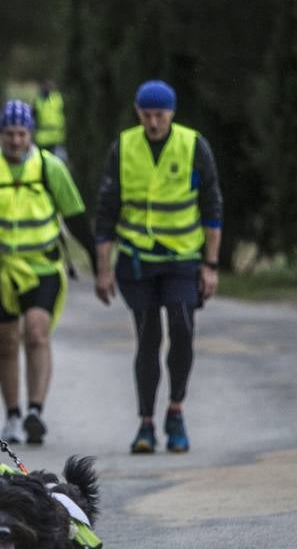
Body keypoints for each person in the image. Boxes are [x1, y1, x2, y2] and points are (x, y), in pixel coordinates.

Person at [0, 100, 97, 446]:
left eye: (21, 134)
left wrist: (97, 258)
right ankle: (13, 415)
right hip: (0, 268)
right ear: (0, 135)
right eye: (9, 134)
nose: (16, 141)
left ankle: (36, 410)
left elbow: (75, 215)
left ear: (30, 134)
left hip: (43, 266)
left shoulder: (50, 168)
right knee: (5, 341)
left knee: (36, 333)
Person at [92, 79, 223, 454]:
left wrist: (211, 264)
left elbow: (212, 207)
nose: (153, 122)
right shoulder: (124, 147)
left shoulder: (194, 145)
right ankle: (146, 422)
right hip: (136, 261)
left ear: (172, 112)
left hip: (182, 257)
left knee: (181, 328)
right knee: (148, 336)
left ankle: (176, 410)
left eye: (159, 115)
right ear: (137, 112)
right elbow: (106, 213)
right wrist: (103, 268)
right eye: (146, 115)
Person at [32, 79, 68, 165]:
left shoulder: (58, 99)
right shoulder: (38, 101)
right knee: (43, 164)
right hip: (42, 140)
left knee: (59, 164)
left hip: (57, 139)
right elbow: (33, 118)